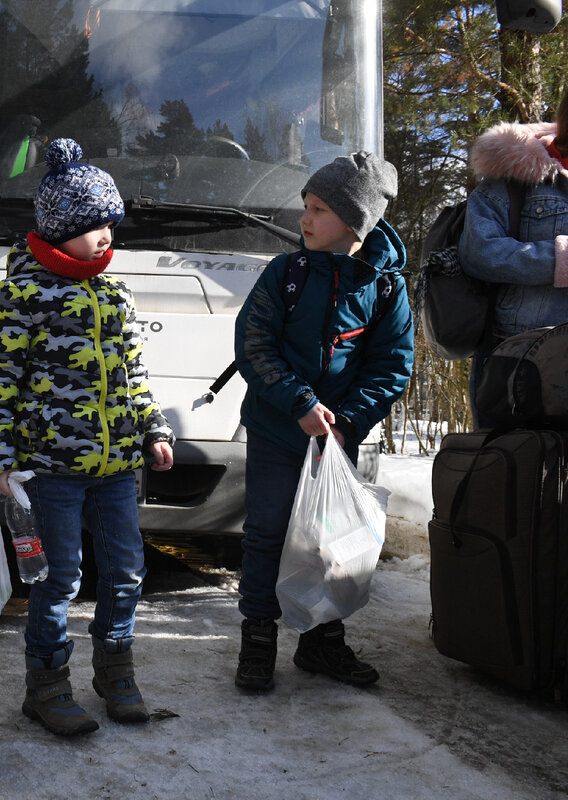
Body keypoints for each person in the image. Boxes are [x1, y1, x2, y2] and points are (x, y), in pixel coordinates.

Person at [0, 138, 176, 737]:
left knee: (125, 571)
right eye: (92, 225)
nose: (106, 236)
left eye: (110, 223)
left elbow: (135, 376)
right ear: (59, 229)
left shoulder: (116, 294)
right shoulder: (21, 295)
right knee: (58, 577)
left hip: (116, 469)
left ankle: (117, 674)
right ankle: (47, 684)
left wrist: (154, 428)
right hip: (48, 471)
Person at [232, 151, 414, 692]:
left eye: (318, 209)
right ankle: (259, 638)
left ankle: (321, 642)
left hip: (337, 443)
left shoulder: (386, 289)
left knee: (331, 542)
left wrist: (347, 421)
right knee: (266, 534)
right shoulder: (284, 274)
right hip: (275, 431)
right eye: (305, 206)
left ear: (356, 222)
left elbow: (391, 367)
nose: (305, 220)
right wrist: (299, 403)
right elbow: (254, 346)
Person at [459, 90, 568, 428]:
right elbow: (480, 253)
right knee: (517, 475)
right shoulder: (516, 171)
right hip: (522, 365)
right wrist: (560, 259)